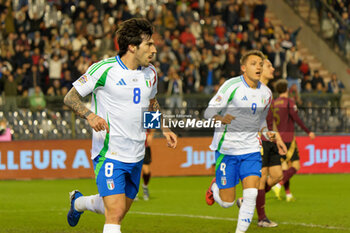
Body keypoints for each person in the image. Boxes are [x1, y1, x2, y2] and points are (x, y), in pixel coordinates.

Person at [64, 18, 177, 233]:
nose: (154, 49)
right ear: (132, 47)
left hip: (136, 154)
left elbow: (150, 104)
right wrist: (90, 115)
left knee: (117, 210)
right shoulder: (104, 69)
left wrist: (164, 128)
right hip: (110, 153)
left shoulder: (151, 73)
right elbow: (70, 98)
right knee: (114, 214)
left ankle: (78, 203)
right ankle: (80, 203)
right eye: (149, 44)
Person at [204, 50, 274, 233]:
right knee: (227, 203)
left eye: (260, 63)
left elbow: (260, 120)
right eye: (253, 63)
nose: (258, 66)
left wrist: (266, 133)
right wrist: (220, 118)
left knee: (251, 194)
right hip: (227, 150)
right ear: (243, 68)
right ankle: (215, 187)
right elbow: (208, 112)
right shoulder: (231, 86)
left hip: (251, 149)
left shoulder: (266, 93)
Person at [237, 59, 287, 228]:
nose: (272, 68)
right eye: (269, 66)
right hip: (259, 141)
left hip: (271, 140)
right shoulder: (252, 90)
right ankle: (262, 218)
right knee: (261, 179)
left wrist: (279, 140)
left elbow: (271, 122)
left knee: (278, 175)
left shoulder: (268, 92)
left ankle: (247, 200)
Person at [271, 80, 315, 202]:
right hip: (288, 139)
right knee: (296, 165)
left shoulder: (274, 103)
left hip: (277, 139)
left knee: (285, 168)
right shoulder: (289, 102)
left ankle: (288, 194)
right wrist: (308, 132)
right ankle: (278, 184)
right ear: (287, 90)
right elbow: (297, 119)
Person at [141, 129, 154, 201]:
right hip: (133, 146)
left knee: (146, 171)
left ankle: (145, 186)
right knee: (133, 170)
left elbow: (154, 123)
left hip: (145, 147)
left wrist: (151, 134)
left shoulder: (146, 118)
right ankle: (133, 191)